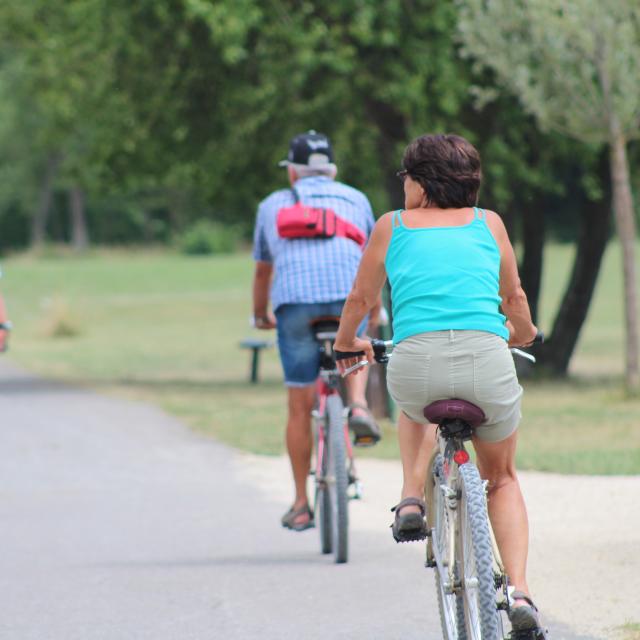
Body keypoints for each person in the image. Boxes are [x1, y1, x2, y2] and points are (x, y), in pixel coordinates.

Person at [334, 133, 544, 634]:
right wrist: (525, 333)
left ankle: (410, 496)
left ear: (422, 183)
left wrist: (348, 343)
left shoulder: (391, 226)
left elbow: (361, 301)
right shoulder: (488, 223)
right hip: (487, 362)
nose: (402, 185)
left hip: (416, 363)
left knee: (413, 407)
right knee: (504, 478)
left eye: (405, 177)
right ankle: (520, 591)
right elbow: (512, 296)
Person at [252, 130, 381, 532]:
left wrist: (260, 314)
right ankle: (358, 404)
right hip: (347, 297)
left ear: (292, 172)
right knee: (357, 338)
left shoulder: (272, 205)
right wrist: (373, 310)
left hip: (296, 304)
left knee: (298, 404)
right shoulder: (356, 198)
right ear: (333, 171)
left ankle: (301, 503)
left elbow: (263, 270)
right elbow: (372, 259)